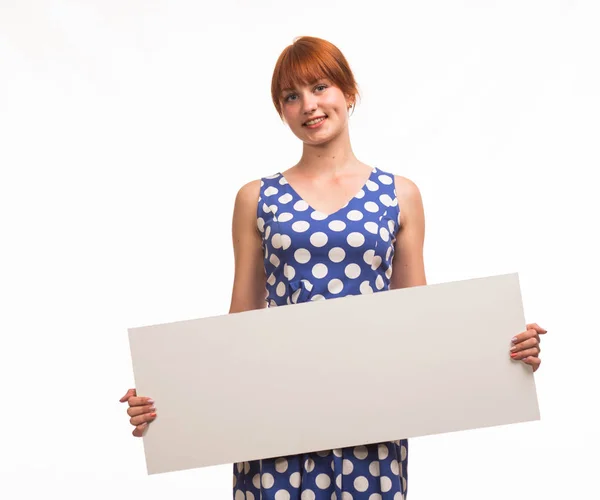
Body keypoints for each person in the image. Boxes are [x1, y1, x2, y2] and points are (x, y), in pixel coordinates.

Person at [120, 36, 546, 500]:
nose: (308, 105)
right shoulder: (255, 198)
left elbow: (421, 320)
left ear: (348, 92)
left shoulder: (399, 195)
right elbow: (240, 322)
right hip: (276, 423)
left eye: (320, 87)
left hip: (372, 423)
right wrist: (169, 401)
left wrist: (504, 352)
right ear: (281, 111)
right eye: (291, 96)